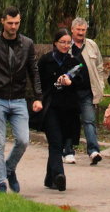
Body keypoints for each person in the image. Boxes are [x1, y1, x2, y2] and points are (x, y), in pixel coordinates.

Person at [0, 6, 43, 194]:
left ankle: (9, 169)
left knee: (23, 140)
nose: (14, 26)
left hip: (20, 99)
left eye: (17, 23)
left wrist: (38, 97)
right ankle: (0, 183)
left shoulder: (27, 43)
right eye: (10, 23)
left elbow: (34, 71)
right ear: (2, 21)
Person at [37, 29, 89, 192]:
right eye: (62, 42)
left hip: (68, 108)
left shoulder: (74, 61)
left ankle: (49, 178)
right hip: (50, 106)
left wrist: (71, 82)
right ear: (55, 43)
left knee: (59, 142)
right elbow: (37, 82)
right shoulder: (46, 60)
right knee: (55, 140)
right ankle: (59, 175)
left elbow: (84, 82)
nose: (66, 46)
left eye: (68, 43)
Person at [62, 17, 104, 166]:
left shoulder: (92, 45)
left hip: (87, 91)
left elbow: (99, 66)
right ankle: (68, 152)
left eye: (83, 30)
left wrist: (101, 85)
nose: (80, 32)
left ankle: (93, 151)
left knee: (89, 120)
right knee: (69, 122)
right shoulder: (65, 44)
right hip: (69, 92)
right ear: (72, 30)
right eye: (78, 29)